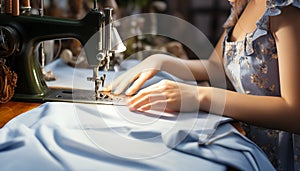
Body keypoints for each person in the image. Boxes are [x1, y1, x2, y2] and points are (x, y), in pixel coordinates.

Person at [103, 0, 300, 169]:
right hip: (246, 141)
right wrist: (162, 61)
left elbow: (294, 114)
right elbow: (216, 65)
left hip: (282, 157)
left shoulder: (286, 9)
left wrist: (200, 96)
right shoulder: (245, 4)